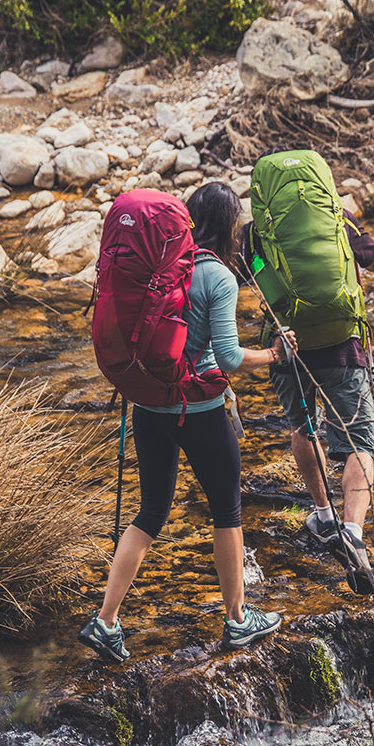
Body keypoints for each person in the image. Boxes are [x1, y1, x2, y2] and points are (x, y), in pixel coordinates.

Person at [79, 182, 295, 662]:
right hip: (198, 411)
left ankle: (106, 621)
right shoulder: (218, 278)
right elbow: (230, 357)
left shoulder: (160, 267)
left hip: (147, 405)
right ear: (229, 227)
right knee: (227, 510)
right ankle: (239, 621)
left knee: (151, 512)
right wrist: (275, 353)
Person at [242, 149, 374, 593]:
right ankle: (354, 532)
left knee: (304, 427)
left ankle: (323, 516)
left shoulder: (254, 234)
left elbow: (251, 277)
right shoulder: (336, 217)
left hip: (287, 344)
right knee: (361, 440)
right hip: (342, 340)